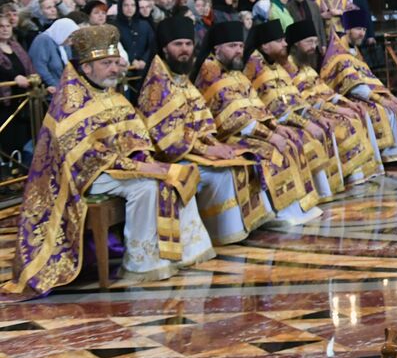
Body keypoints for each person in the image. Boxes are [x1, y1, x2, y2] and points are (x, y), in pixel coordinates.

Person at [6, 25, 213, 297]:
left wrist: (145, 159)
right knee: (146, 188)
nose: (115, 69)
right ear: (86, 67)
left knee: (180, 174)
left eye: (116, 62)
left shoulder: (111, 94)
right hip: (80, 179)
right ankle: (142, 262)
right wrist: (140, 167)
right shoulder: (71, 101)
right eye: (106, 64)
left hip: (114, 170)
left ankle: (185, 251)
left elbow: (134, 135)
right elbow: (86, 157)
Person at [136, 17, 272, 245]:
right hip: (171, 157)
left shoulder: (181, 80)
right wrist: (206, 151)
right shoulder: (158, 84)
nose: (184, 50)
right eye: (178, 44)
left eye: (188, 44)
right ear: (164, 48)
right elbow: (169, 140)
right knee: (223, 174)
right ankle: (221, 233)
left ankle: (239, 228)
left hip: (190, 151)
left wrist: (215, 145)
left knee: (240, 163)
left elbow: (201, 122)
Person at [193, 21, 323, 226]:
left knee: (289, 141)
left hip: (249, 130)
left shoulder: (234, 70)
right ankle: (279, 210)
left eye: (240, 45)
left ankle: (297, 206)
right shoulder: (211, 71)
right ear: (217, 49)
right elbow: (235, 118)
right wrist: (271, 136)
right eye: (232, 46)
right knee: (272, 150)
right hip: (229, 136)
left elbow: (257, 106)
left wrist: (276, 127)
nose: (238, 51)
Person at [246, 21, 377, 191]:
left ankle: (345, 179)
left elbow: (305, 97)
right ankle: (320, 191)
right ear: (264, 46)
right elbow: (277, 108)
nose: (285, 44)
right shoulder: (262, 68)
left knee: (346, 120)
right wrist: (312, 121)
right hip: (273, 124)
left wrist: (340, 106)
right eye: (280, 41)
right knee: (315, 135)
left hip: (296, 116)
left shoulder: (278, 66)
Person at [284, 19, 386, 181]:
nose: (314, 47)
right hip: (307, 112)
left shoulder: (305, 64)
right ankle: (350, 174)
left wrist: (347, 103)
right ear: (296, 44)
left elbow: (323, 89)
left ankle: (363, 170)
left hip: (322, 106)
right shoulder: (289, 67)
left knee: (356, 114)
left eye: (315, 42)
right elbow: (305, 99)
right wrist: (339, 109)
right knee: (346, 122)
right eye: (309, 42)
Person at [322, 7, 397, 163]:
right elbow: (353, 85)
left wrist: (388, 95)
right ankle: (387, 153)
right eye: (358, 29)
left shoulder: (354, 50)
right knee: (383, 110)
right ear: (348, 29)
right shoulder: (338, 54)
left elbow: (367, 77)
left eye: (364, 29)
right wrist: (380, 99)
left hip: (360, 93)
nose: (362, 34)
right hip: (346, 97)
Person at [0, 15, 34, 173]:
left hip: (21, 99)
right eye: (1, 26)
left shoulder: (16, 46)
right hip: (4, 101)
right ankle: (8, 173)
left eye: (7, 26)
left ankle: (20, 171)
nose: (5, 29)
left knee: (21, 137)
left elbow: (27, 65)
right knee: (7, 139)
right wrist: (14, 77)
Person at [112, 0, 154, 78]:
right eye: (126, 5)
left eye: (133, 5)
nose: (129, 8)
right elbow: (116, 47)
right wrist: (131, 59)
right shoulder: (114, 26)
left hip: (145, 69)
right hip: (124, 70)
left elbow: (152, 45)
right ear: (120, 7)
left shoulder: (144, 25)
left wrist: (144, 60)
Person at [28, 17, 78, 90]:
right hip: (49, 91)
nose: (72, 41)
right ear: (62, 32)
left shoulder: (63, 44)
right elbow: (39, 68)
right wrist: (57, 87)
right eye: (70, 36)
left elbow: (69, 66)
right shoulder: (43, 40)